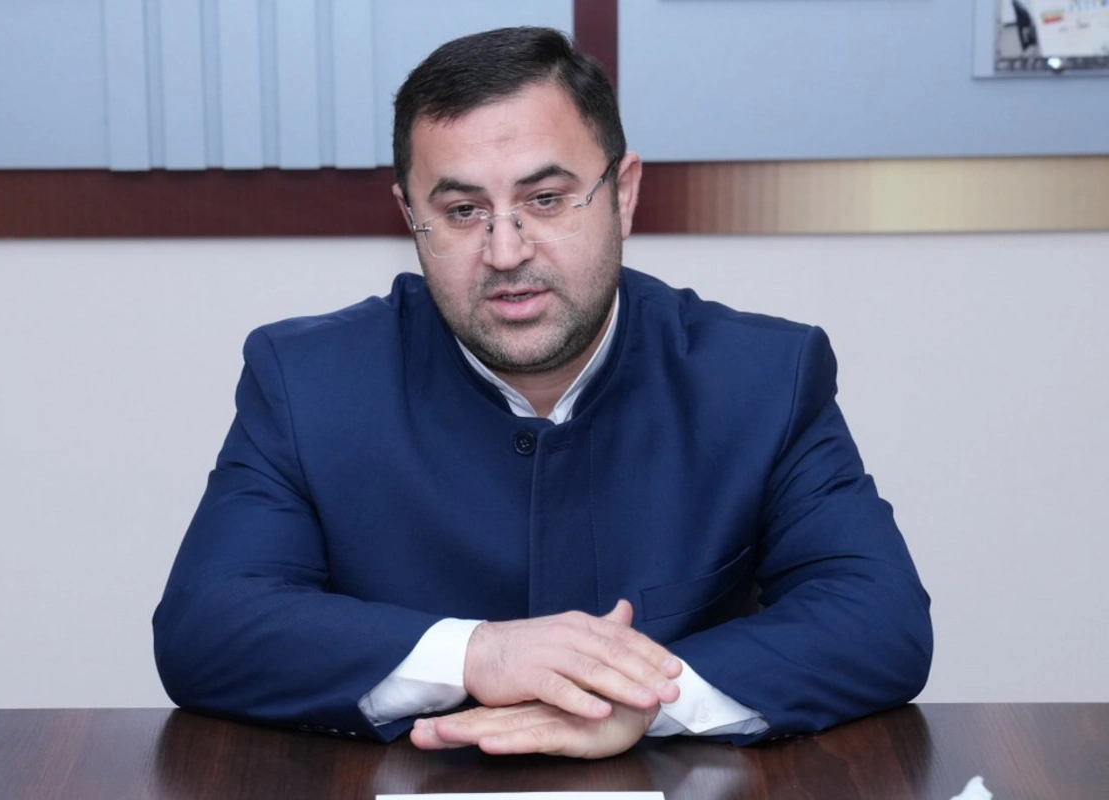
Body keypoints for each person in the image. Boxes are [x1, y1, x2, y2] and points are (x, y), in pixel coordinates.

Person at [153, 26, 932, 759]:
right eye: (462, 211)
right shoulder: (306, 380)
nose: (505, 250)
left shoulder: (762, 376)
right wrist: (476, 655)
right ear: (410, 217)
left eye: (547, 199)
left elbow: (878, 615)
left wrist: (642, 699)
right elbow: (207, 625)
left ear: (623, 193)